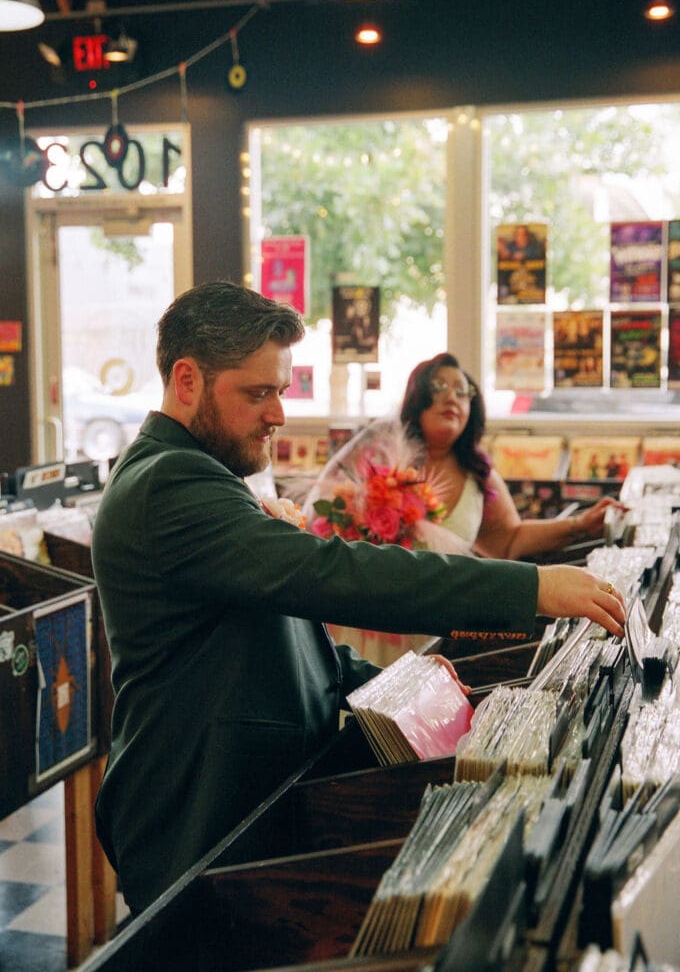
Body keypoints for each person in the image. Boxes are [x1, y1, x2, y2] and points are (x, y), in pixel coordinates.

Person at [92, 283, 625, 915]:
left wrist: (395, 685)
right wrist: (531, 587)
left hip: (250, 793)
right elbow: (334, 573)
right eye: (257, 393)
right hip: (194, 805)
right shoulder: (167, 484)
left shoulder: (204, 476)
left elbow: (276, 633)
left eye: (280, 391)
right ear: (187, 380)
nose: (278, 415)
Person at [397, 352, 626, 560]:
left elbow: (510, 540)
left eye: (462, 391)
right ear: (416, 397)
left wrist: (579, 524)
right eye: (439, 386)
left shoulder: (478, 475)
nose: (452, 398)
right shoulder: (386, 466)